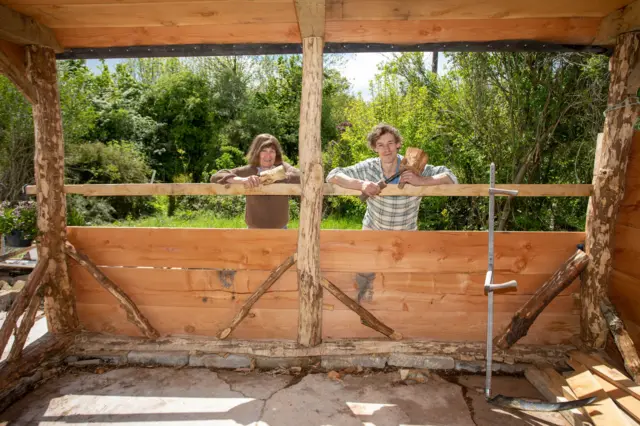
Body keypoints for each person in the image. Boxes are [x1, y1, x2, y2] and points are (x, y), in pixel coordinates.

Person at [326, 123, 458, 231]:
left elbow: (451, 177)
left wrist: (420, 181)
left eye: (390, 143)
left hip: (406, 237)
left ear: (398, 144)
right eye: (380, 145)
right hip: (372, 232)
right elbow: (333, 175)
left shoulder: (414, 167)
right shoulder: (369, 168)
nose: (386, 149)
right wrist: (361, 185)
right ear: (374, 148)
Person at [211, 134, 300, 229]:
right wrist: (242, 180)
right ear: (257, 152)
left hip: (280, 229)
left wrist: (277, 176)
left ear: (276, 153)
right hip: (254, 229)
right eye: (264, 151)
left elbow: (300, 176)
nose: (268, 155)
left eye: (272, 151)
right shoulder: (250, 170)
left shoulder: (282, 168)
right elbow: (216, 176)